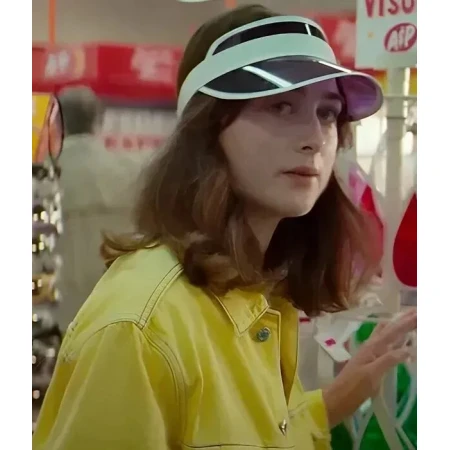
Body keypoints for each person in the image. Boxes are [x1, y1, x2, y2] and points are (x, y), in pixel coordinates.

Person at [33, 5, 416, 450]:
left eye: (328, 113)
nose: (314, 137)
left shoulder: (257, 297)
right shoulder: (141, 328)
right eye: (280, 105)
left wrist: (326, 408)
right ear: (207, 128)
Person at [55, 86, 146, 329]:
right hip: (117, 313)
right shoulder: (133, 173)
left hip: (58, 320)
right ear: (100, 121)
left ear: (57, 123)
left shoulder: (40, 180)